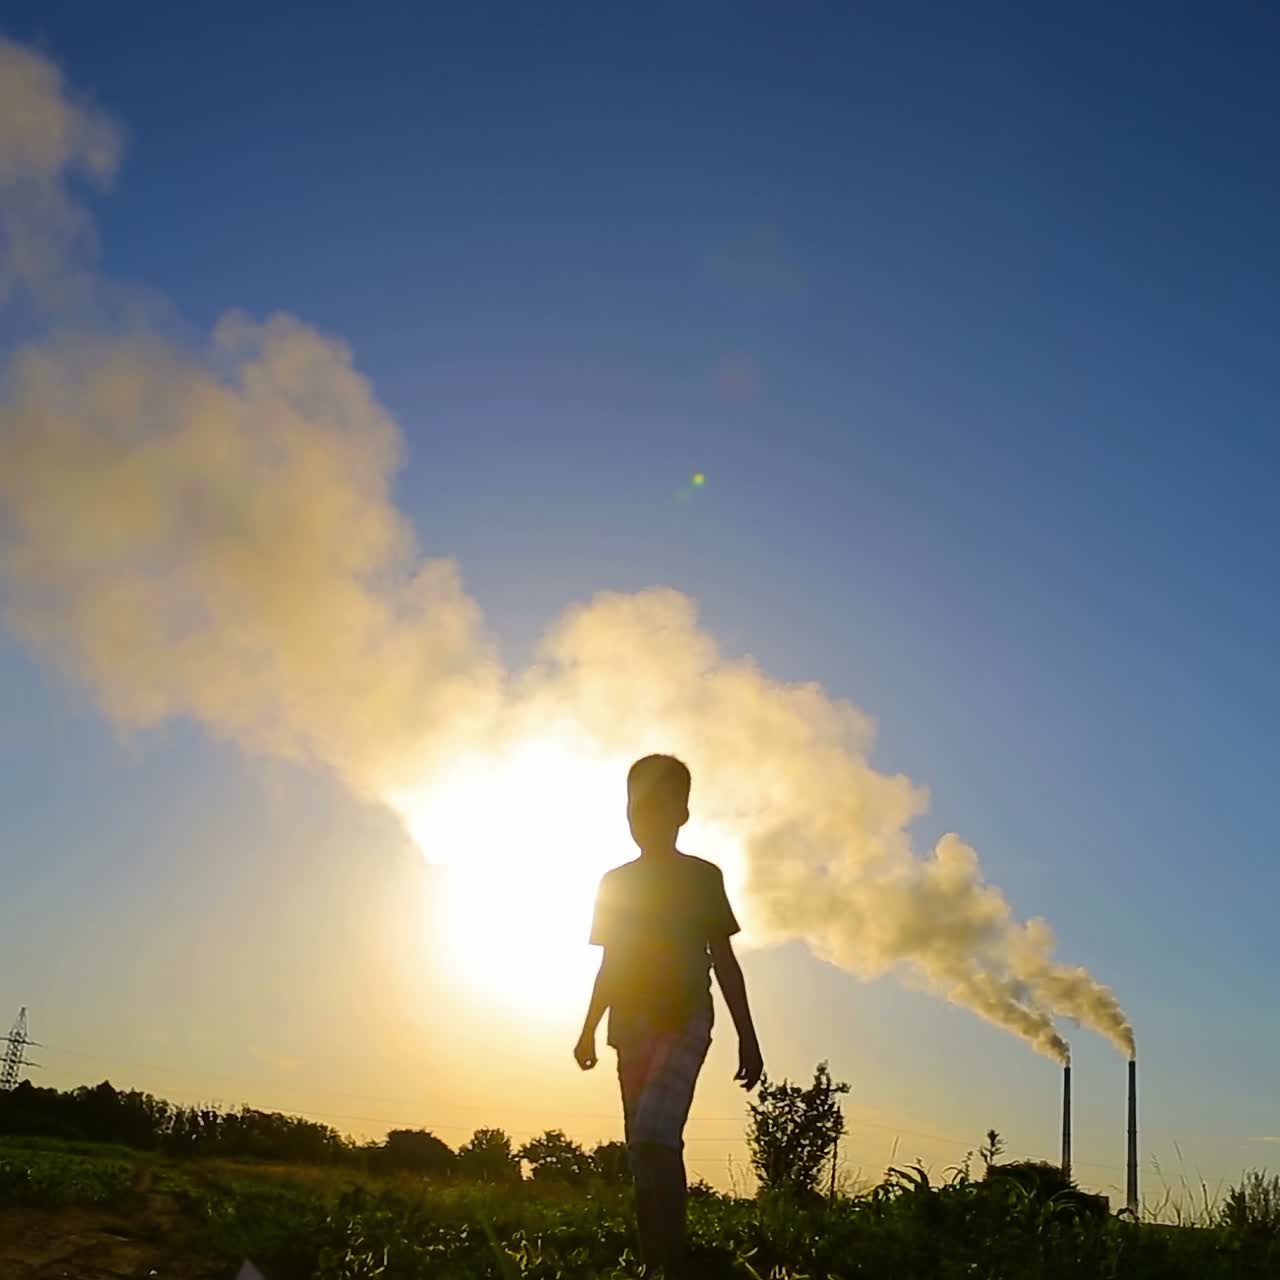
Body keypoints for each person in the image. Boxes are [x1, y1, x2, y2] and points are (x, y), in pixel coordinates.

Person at [574, 754, 764, 1276]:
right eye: (637, 806)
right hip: (628, 1029)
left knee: (654, 1135)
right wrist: (589, 1028)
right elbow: (610, 963)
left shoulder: (703, 878)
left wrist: (748, 1037)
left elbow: (724, 960)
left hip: (684, 1021)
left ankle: (669, 1261)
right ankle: (658, 1261)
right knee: (646, 1148)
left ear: (682, 813)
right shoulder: (615, 882)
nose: (647, 816)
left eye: (660, 806)